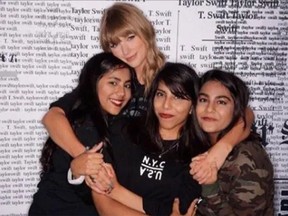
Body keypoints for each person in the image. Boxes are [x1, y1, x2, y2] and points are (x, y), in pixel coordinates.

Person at [42, 2, 253, 189]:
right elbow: (52, 117)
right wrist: (84, 157)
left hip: (158, 184)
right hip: (106, 187)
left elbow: (242, 112)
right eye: (114, 44)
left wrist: (221, 149)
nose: (124, 50)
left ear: (146, 32)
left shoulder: (170, 79)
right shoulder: (111, 82)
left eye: (130, 37)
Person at [90, 62, 208, 216]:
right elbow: (101, 198)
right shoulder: (124, 131)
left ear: (193, 106)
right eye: (161, 94)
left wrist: (117, 191)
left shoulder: (199, 156)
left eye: (178, 97)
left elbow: (180, 210)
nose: (166, 105)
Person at [28, 52, 134, 215]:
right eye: (113, 83)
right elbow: (95, 191)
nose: (121, 93)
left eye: (127, 85)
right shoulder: (88, 126)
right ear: (93, 83)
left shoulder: (85, 112)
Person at [191, 69, 274, 215]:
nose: (209, 109)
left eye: (221, 102)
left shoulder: (246, 159)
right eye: (203, 100)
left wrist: (211, 188)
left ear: (236, 109)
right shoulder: (198, 140)